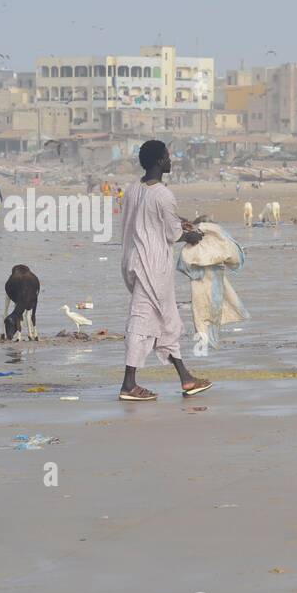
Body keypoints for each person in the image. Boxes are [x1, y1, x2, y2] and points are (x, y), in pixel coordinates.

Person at [117, 140, 211, 402]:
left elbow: (148, 220)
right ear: (160, 161)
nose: (171, 161)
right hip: (153, 266)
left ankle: (187, 379)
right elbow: (172, 232)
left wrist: (180, 222)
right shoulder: (163, 195)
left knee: (167, 321)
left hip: (134, 262)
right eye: (168, 157)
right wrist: (190, 236)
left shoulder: (133, 190)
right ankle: (129, 384)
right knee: (140, 321)